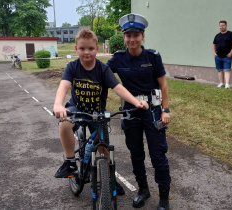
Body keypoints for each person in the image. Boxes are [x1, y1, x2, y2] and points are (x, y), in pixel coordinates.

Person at [53, 29, 148, 196]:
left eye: (90, 48)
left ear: (97, 49)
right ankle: (70, 162)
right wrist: (58, 105)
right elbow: (64, 86)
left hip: (97, 113)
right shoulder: (72, 67)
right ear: (76, 49)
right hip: (77, 109)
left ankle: (110, 179)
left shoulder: (103, 69)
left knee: (104, 150)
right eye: (82, 49)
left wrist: (136, 102)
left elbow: (118, 88)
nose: (86, 52)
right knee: (65, 122)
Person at [107, 14, 171, 210]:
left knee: (158, 154)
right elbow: (100, 73)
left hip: (152, 111)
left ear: (143, 36)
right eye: (128, 35)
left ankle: (164, 197)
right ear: (124, 37)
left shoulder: (152, 57)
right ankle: (143, 190)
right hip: (131, 112)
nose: (132, 39)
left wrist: (165, 110)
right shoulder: (118, 58)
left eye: (136, 35)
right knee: (136, 154)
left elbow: (163, 84)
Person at [212, 20, 232, 89]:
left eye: (223, 25)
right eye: (220, 26)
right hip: (218, 56)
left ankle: (227, 84)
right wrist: (214, 53)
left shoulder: (231, 34)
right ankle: (221, 83)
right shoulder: (217, 36)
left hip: (227, 56)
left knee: (227, 70)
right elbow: (214, 45)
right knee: (219, 70)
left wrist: (231, 53)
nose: (221, 27)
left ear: (226, 26)